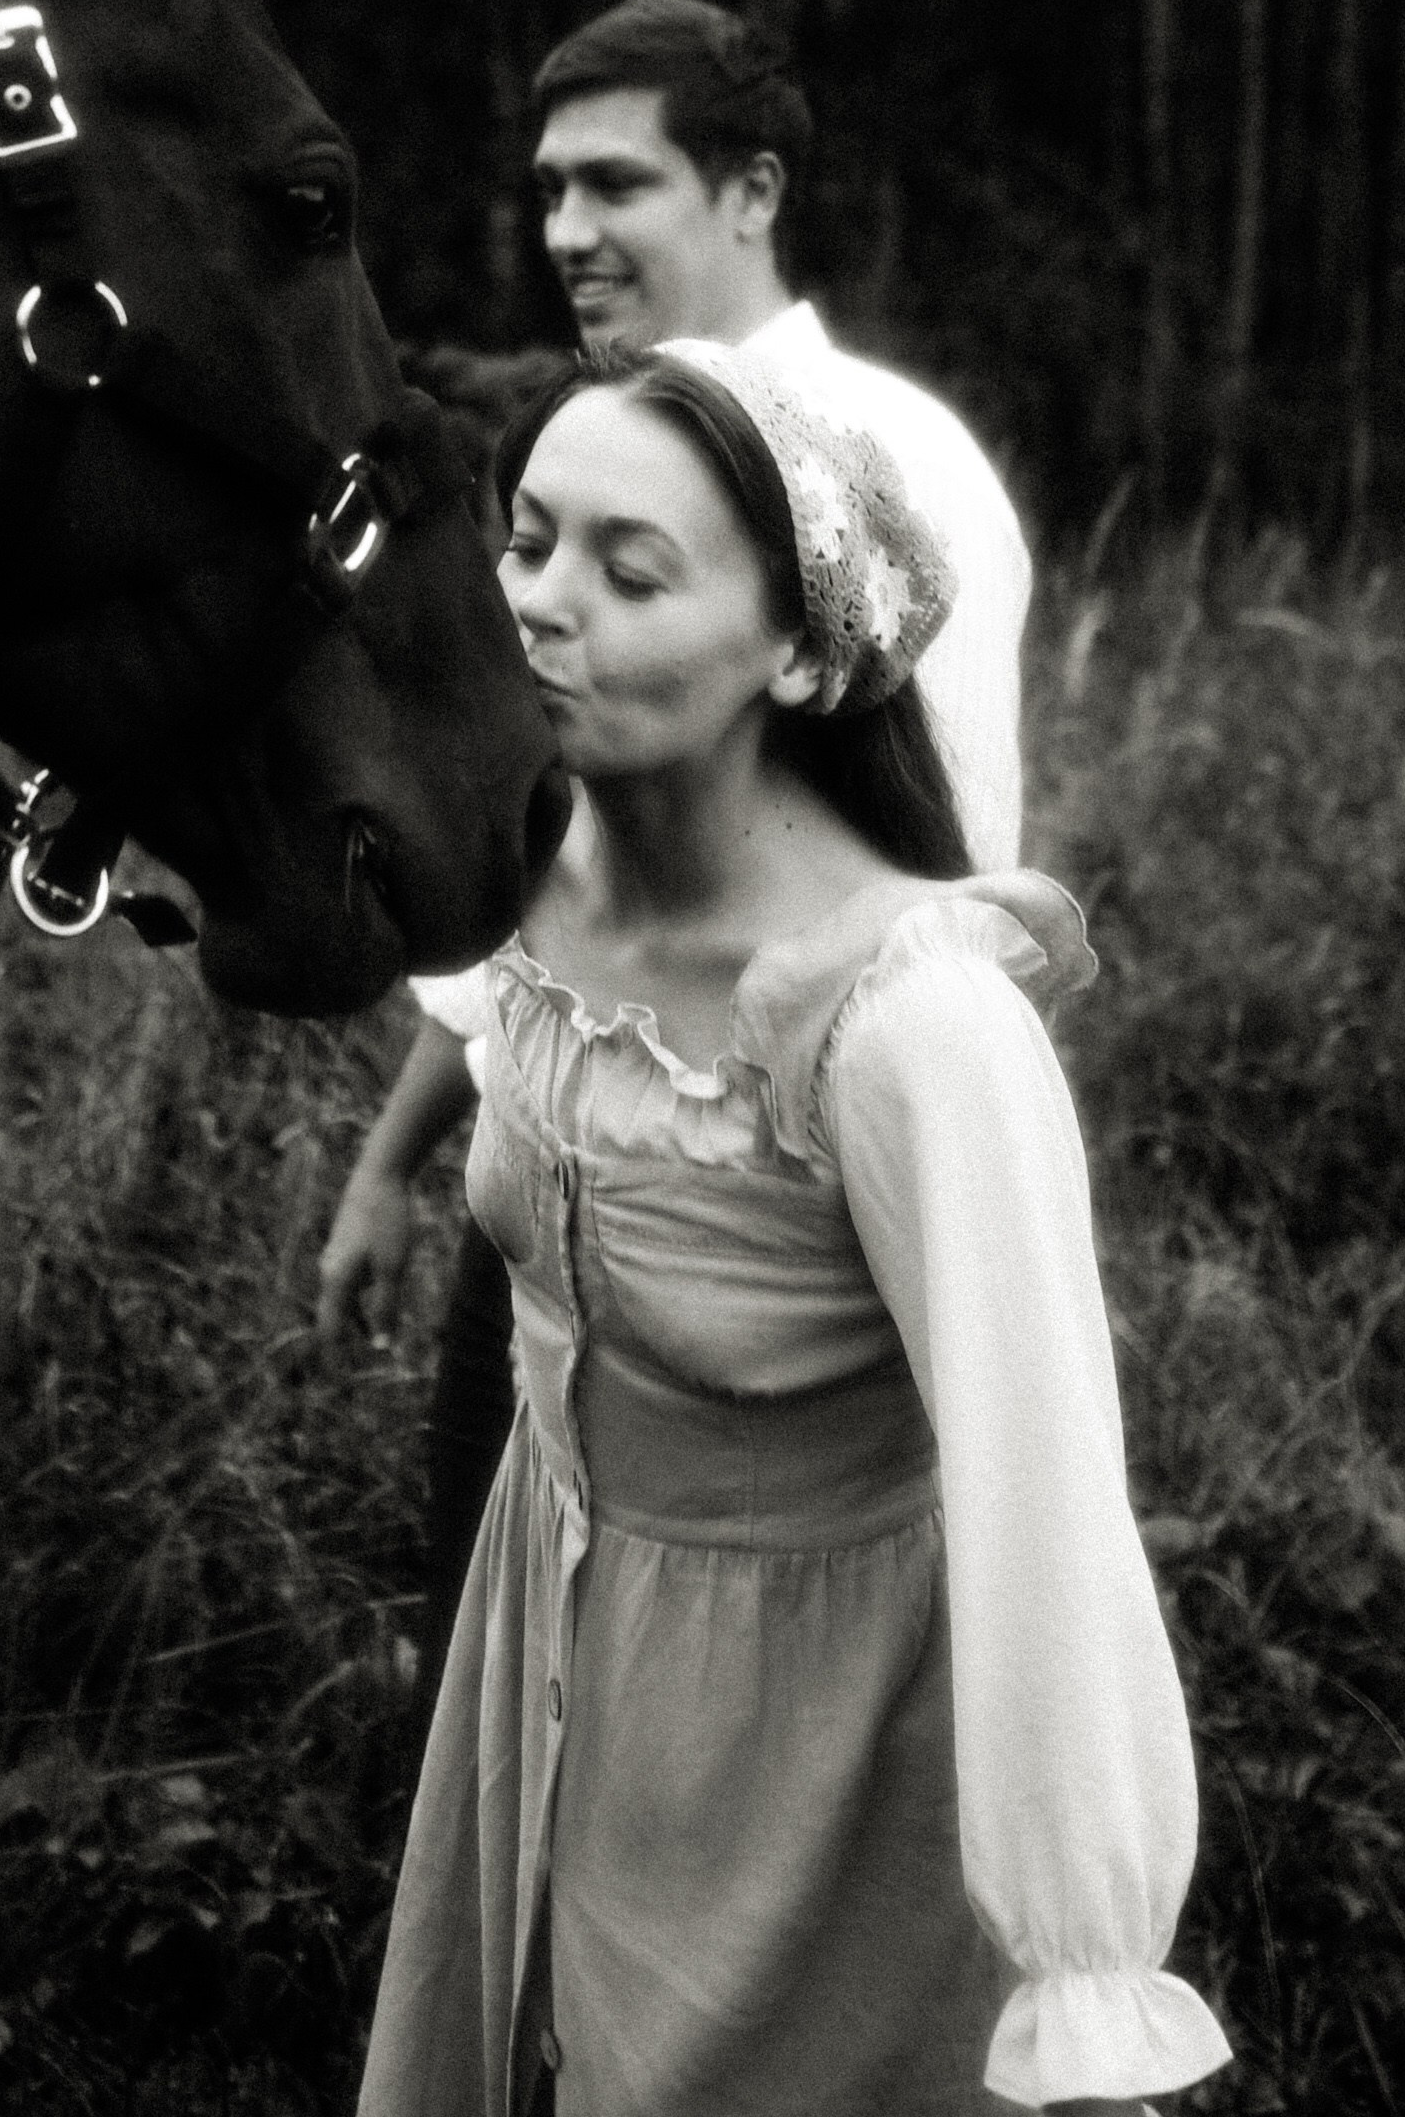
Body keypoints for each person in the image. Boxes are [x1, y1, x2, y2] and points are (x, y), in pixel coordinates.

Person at [355, 341, 1230, 2117]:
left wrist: (1085, 1972)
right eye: (526, 540)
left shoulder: (909, 1024)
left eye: (630, 566)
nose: (539, 601)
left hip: (829, 1762)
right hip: (563, 1667)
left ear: (802, 647)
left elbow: (1045, 1508)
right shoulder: (528, 893)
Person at [316, 0, 1034, 1676]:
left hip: (767, 1283)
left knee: (722, 1711)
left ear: (753, 193)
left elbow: (941, 908)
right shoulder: (588, 455)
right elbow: (556, 904)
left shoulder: (887, 465)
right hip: (536, 1215)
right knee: (500, 1680)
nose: (567, 230)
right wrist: (390, 1163)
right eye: (549, 189)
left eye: (617, 185)